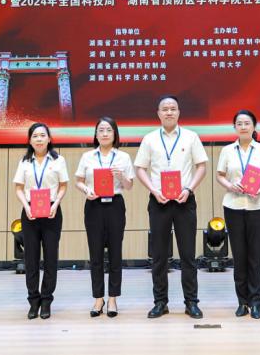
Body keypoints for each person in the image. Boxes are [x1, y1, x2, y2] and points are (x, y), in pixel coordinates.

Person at [134, 95, 208, 319]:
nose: (169, 112)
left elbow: (201, 166)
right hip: (159, 202)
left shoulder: (191, 137)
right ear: (158, 113)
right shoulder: (149, 139)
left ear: (178, 112)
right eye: (165, 109)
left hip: (184, 201)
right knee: (159, 256)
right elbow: (140, 168)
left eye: (173, 108)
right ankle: (160, 302)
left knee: (188, 255)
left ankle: (191, 302)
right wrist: (154, 190)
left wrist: (189, 189)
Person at [215, 109, 260, 319]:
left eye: (247, 123)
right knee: (239, 256)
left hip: (258, 206)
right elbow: (220, 175)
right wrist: (230, 186)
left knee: (256, 257)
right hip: (233, 206)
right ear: (234, 127)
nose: (243, 127)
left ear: (254, 126)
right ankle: (242, 302)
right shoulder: (227, 150)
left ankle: (256, 302)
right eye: (239, 123)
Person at [74, 117, 134, 318]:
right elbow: (78, 181)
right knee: (96, 253)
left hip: (115, 205)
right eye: (101, 130)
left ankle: (113, 299)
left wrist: (121, 176)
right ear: (96, 134)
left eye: (109, 130)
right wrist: (86, 190)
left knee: (116, 253)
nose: (105, 133)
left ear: (115, 134)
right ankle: (98, 298)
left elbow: (129, 186)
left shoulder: (123, 157)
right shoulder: (87, 156)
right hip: (94, 205)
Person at [14, 122, 69, 320]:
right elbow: (19, 188)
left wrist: (56, 204)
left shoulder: (58, 160)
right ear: (30, 140)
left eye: (42, 135)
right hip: (30, 211)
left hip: (52, 211)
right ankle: (33, 299)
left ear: (49, 139)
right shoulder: (24, 161)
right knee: (31, 258)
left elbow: (63, 185)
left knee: (51, 257)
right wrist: (26, 207)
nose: (39, 139)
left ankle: (46, 300)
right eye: (35, 136)